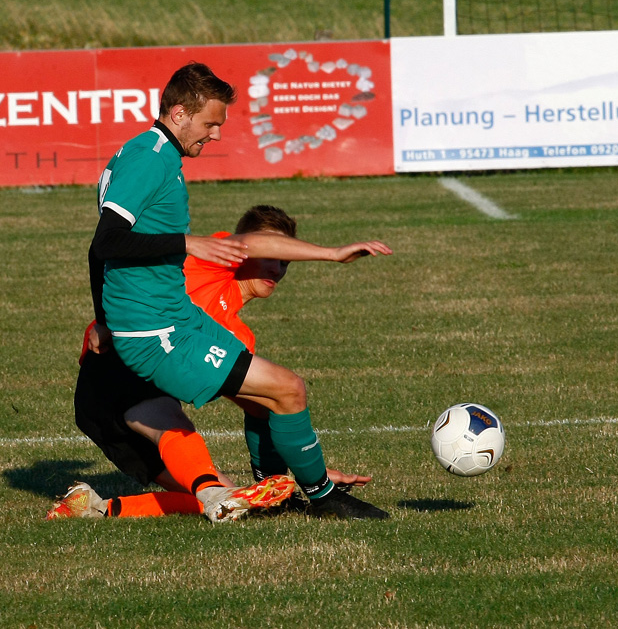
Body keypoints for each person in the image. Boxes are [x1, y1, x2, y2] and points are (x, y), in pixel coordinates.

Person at [67, 62, 390, 521]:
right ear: (179, 114)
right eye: (210, 123)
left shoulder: (160, 158)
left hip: (169, 322)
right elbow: (106, 241)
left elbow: (101, 253)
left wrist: (104, 316)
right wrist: (331, 253)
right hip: (151, 337)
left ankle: (275, 490)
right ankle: (322, 499)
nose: (216, 135)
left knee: (268, 405)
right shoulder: (149, 157)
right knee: (284, 391)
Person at [49, 205, 389, 520]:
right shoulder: (211, 261)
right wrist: (332, 254)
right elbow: (246, 243)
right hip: (112, 372)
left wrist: (304, 471)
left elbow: (260, 409)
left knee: (234, 501)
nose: (277, 267)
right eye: (271, 254)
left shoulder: (240, 338)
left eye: (285, 261)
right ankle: (315, 497)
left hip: (130, 407)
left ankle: (95, 508)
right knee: (169, 418)